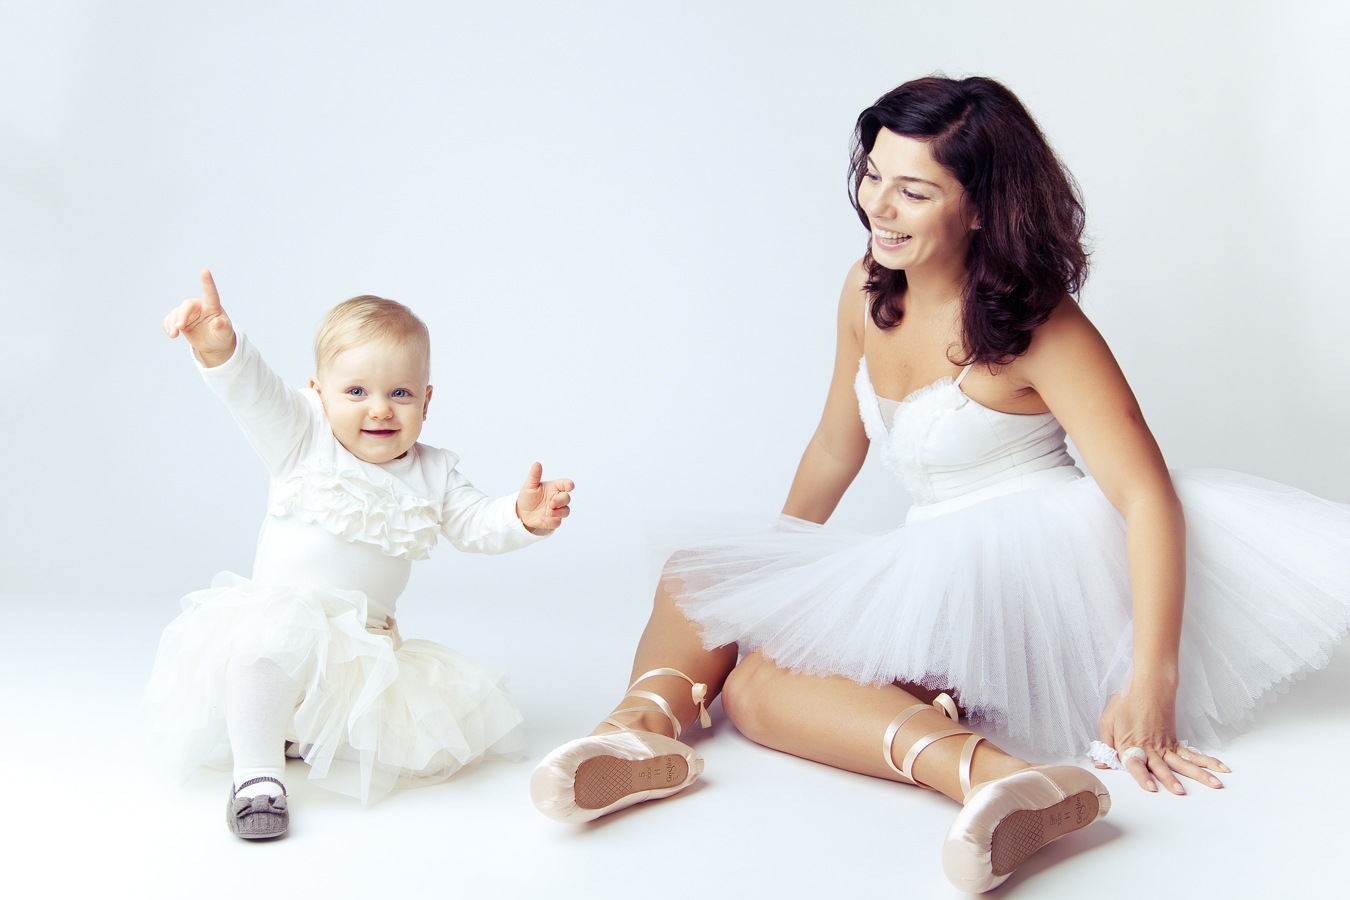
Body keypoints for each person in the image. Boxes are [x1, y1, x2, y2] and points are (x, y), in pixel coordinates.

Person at [529, 76, 1350, 893]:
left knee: (759, 690)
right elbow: (834, 447)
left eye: (914, 191)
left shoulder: (1040, 324)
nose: (879, 207)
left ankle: (1004, 781)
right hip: (932, 552)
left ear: (982, 207)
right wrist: (768, 583)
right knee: (700, 575)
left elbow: (1145, 495)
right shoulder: (865, 287)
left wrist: (1152, 681)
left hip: (1033, 564)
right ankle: (636, 735)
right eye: (872, 176)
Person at [144, 271, 574, 839]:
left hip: (364, 651)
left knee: (419, 747)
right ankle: (257, 777)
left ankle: (302, 732)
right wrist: (222, 349)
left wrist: (520, 516)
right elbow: (254, 393)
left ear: (426, 400)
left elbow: (475, 524)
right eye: (356, 392)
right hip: (280, 625)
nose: (380, 410)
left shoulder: (434, 472)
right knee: (269, 647)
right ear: (318, 393)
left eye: (400, 393)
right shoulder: (302, 437)